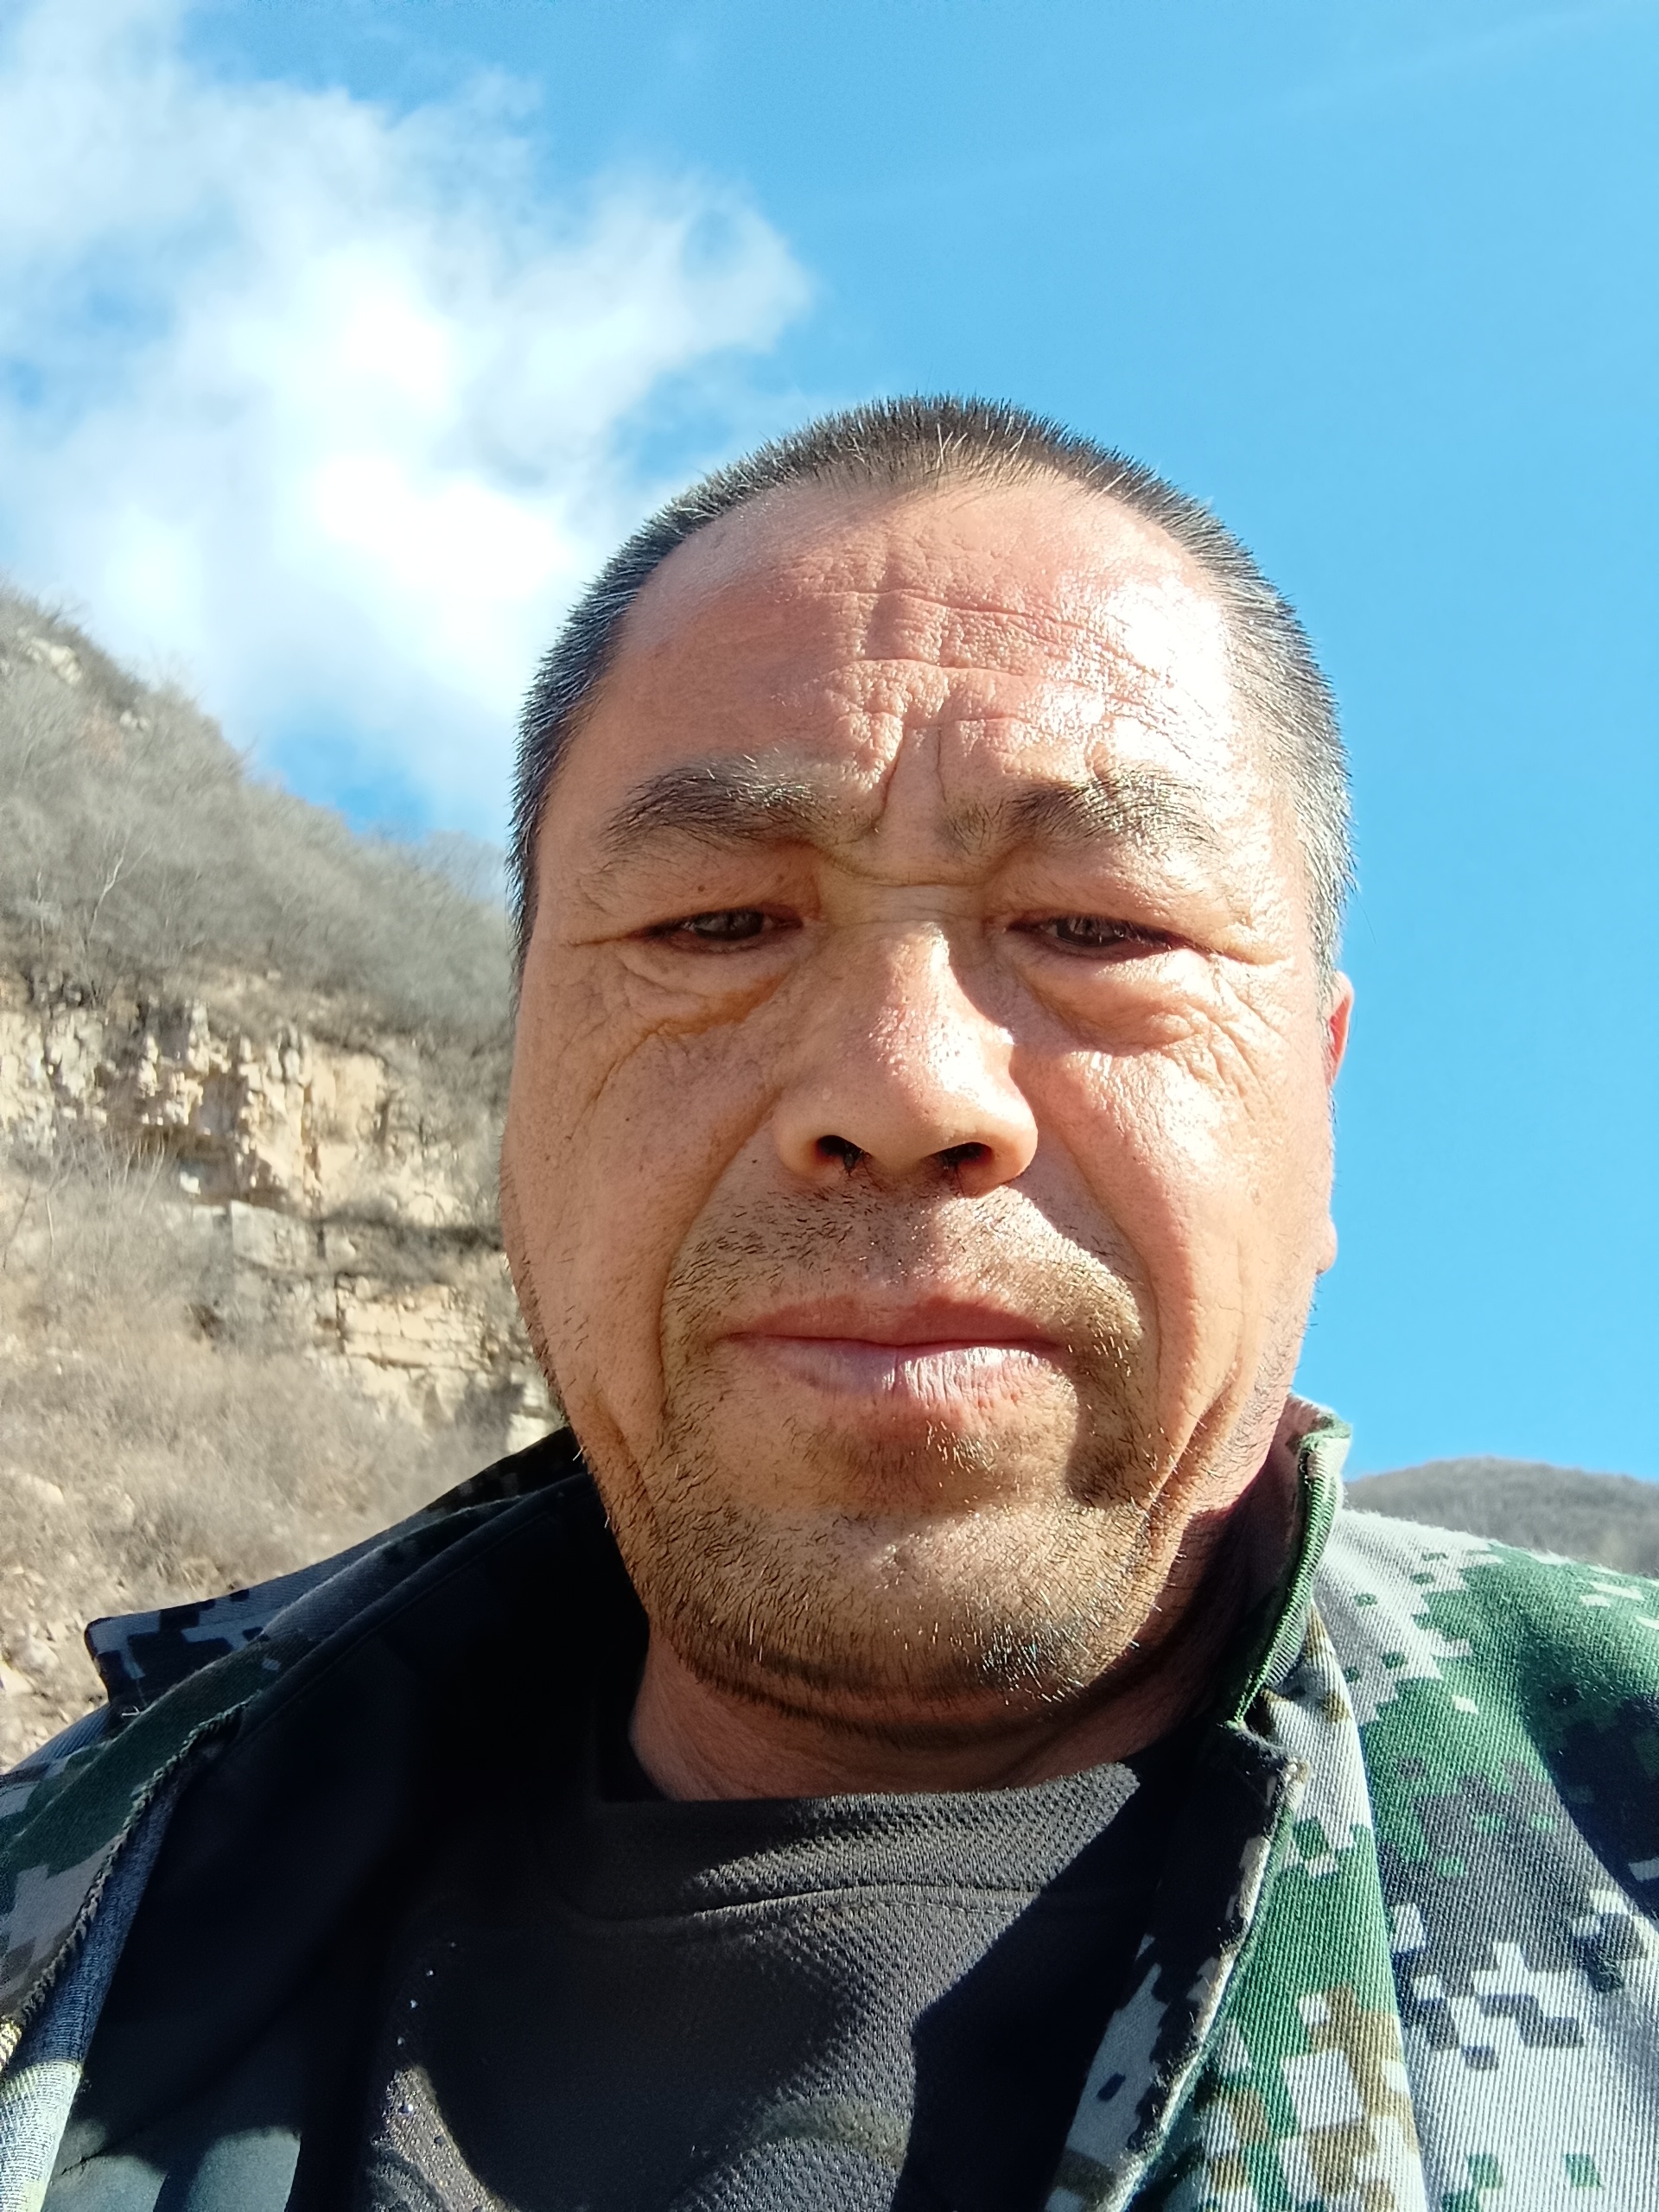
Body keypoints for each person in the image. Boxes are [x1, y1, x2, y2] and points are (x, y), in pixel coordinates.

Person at [2, 397, 1656, 2212]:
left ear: (1317, 1107)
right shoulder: (65, 1907)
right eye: (719, 923)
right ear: (519, 1095)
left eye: (1097, 927)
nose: (905, 1085)